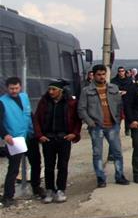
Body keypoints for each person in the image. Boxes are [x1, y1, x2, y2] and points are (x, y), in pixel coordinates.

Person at [78, 64, 129, 188]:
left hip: (112, 125)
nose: (102, 77)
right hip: (96, 126)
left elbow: (119, 104)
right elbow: (81, 109)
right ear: (93, 76)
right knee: (97, 153)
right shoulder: (87, 91)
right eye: (99, 75)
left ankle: (119, 175)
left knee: (117, 152)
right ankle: (101, 178)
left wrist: (117, 119)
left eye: (103, 74)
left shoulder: (113, 88)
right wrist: (90, 122)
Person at [33, 80, 82, 203]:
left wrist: (74, 134)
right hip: (48, 138)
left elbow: (77, 120)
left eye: (53, 90)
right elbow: (37, 119)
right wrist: (39, 135)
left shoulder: (70, 102)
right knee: (49, 166)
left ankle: (61, 189)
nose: (51, 92)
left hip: (64, 138)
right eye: (49, 89)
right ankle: (49, 189)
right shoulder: (44, 102)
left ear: (60, 91)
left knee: (62, 165)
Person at [1, 77, 40, 205]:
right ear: (7, 88)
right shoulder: (2, 102)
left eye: (16, 88)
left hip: (29, 135)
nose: (14, 91)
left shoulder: (24, 97)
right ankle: (8, 196)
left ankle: (36, 188)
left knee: (36, 163)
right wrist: (5, 135)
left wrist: (36, 131)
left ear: (20, 87)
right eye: (11, 88)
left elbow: (29, 114)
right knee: (14, 168)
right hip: (15, 139)